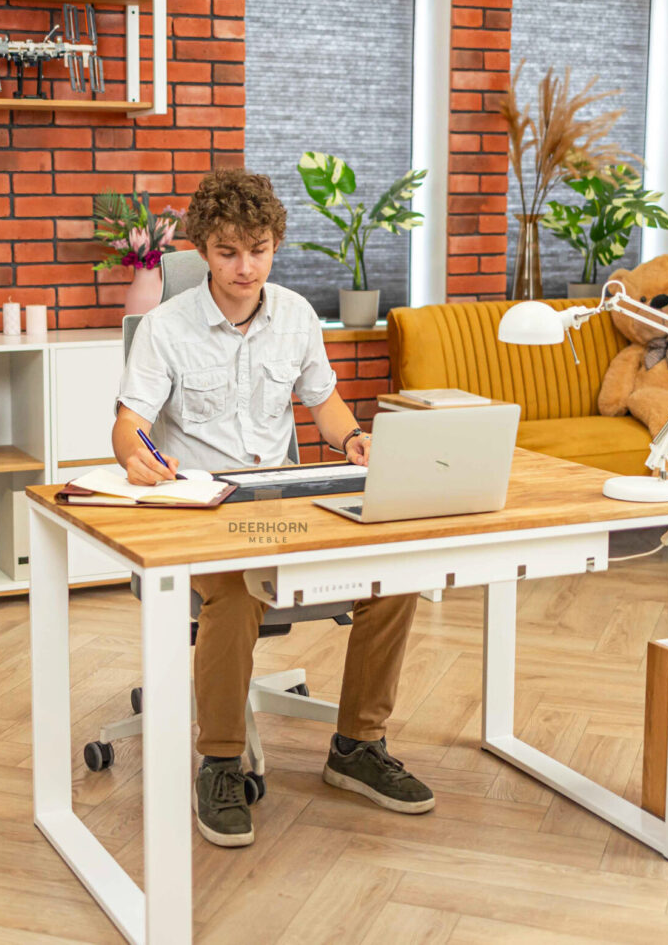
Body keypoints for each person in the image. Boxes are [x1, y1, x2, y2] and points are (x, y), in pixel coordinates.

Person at [112, 168, 433, 848]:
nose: (245, 267)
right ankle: (221, 761)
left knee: (395, 575)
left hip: (284, 502)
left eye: (258, 250)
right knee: (235, 590)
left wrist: (352, 437)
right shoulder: (164, 329)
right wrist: (135, 453)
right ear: (203, 250)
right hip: (203, 512)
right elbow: (128, 423)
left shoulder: (295, 315)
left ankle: (357, 746)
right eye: (228, 252)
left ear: (275, 245)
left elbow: (324, 402)